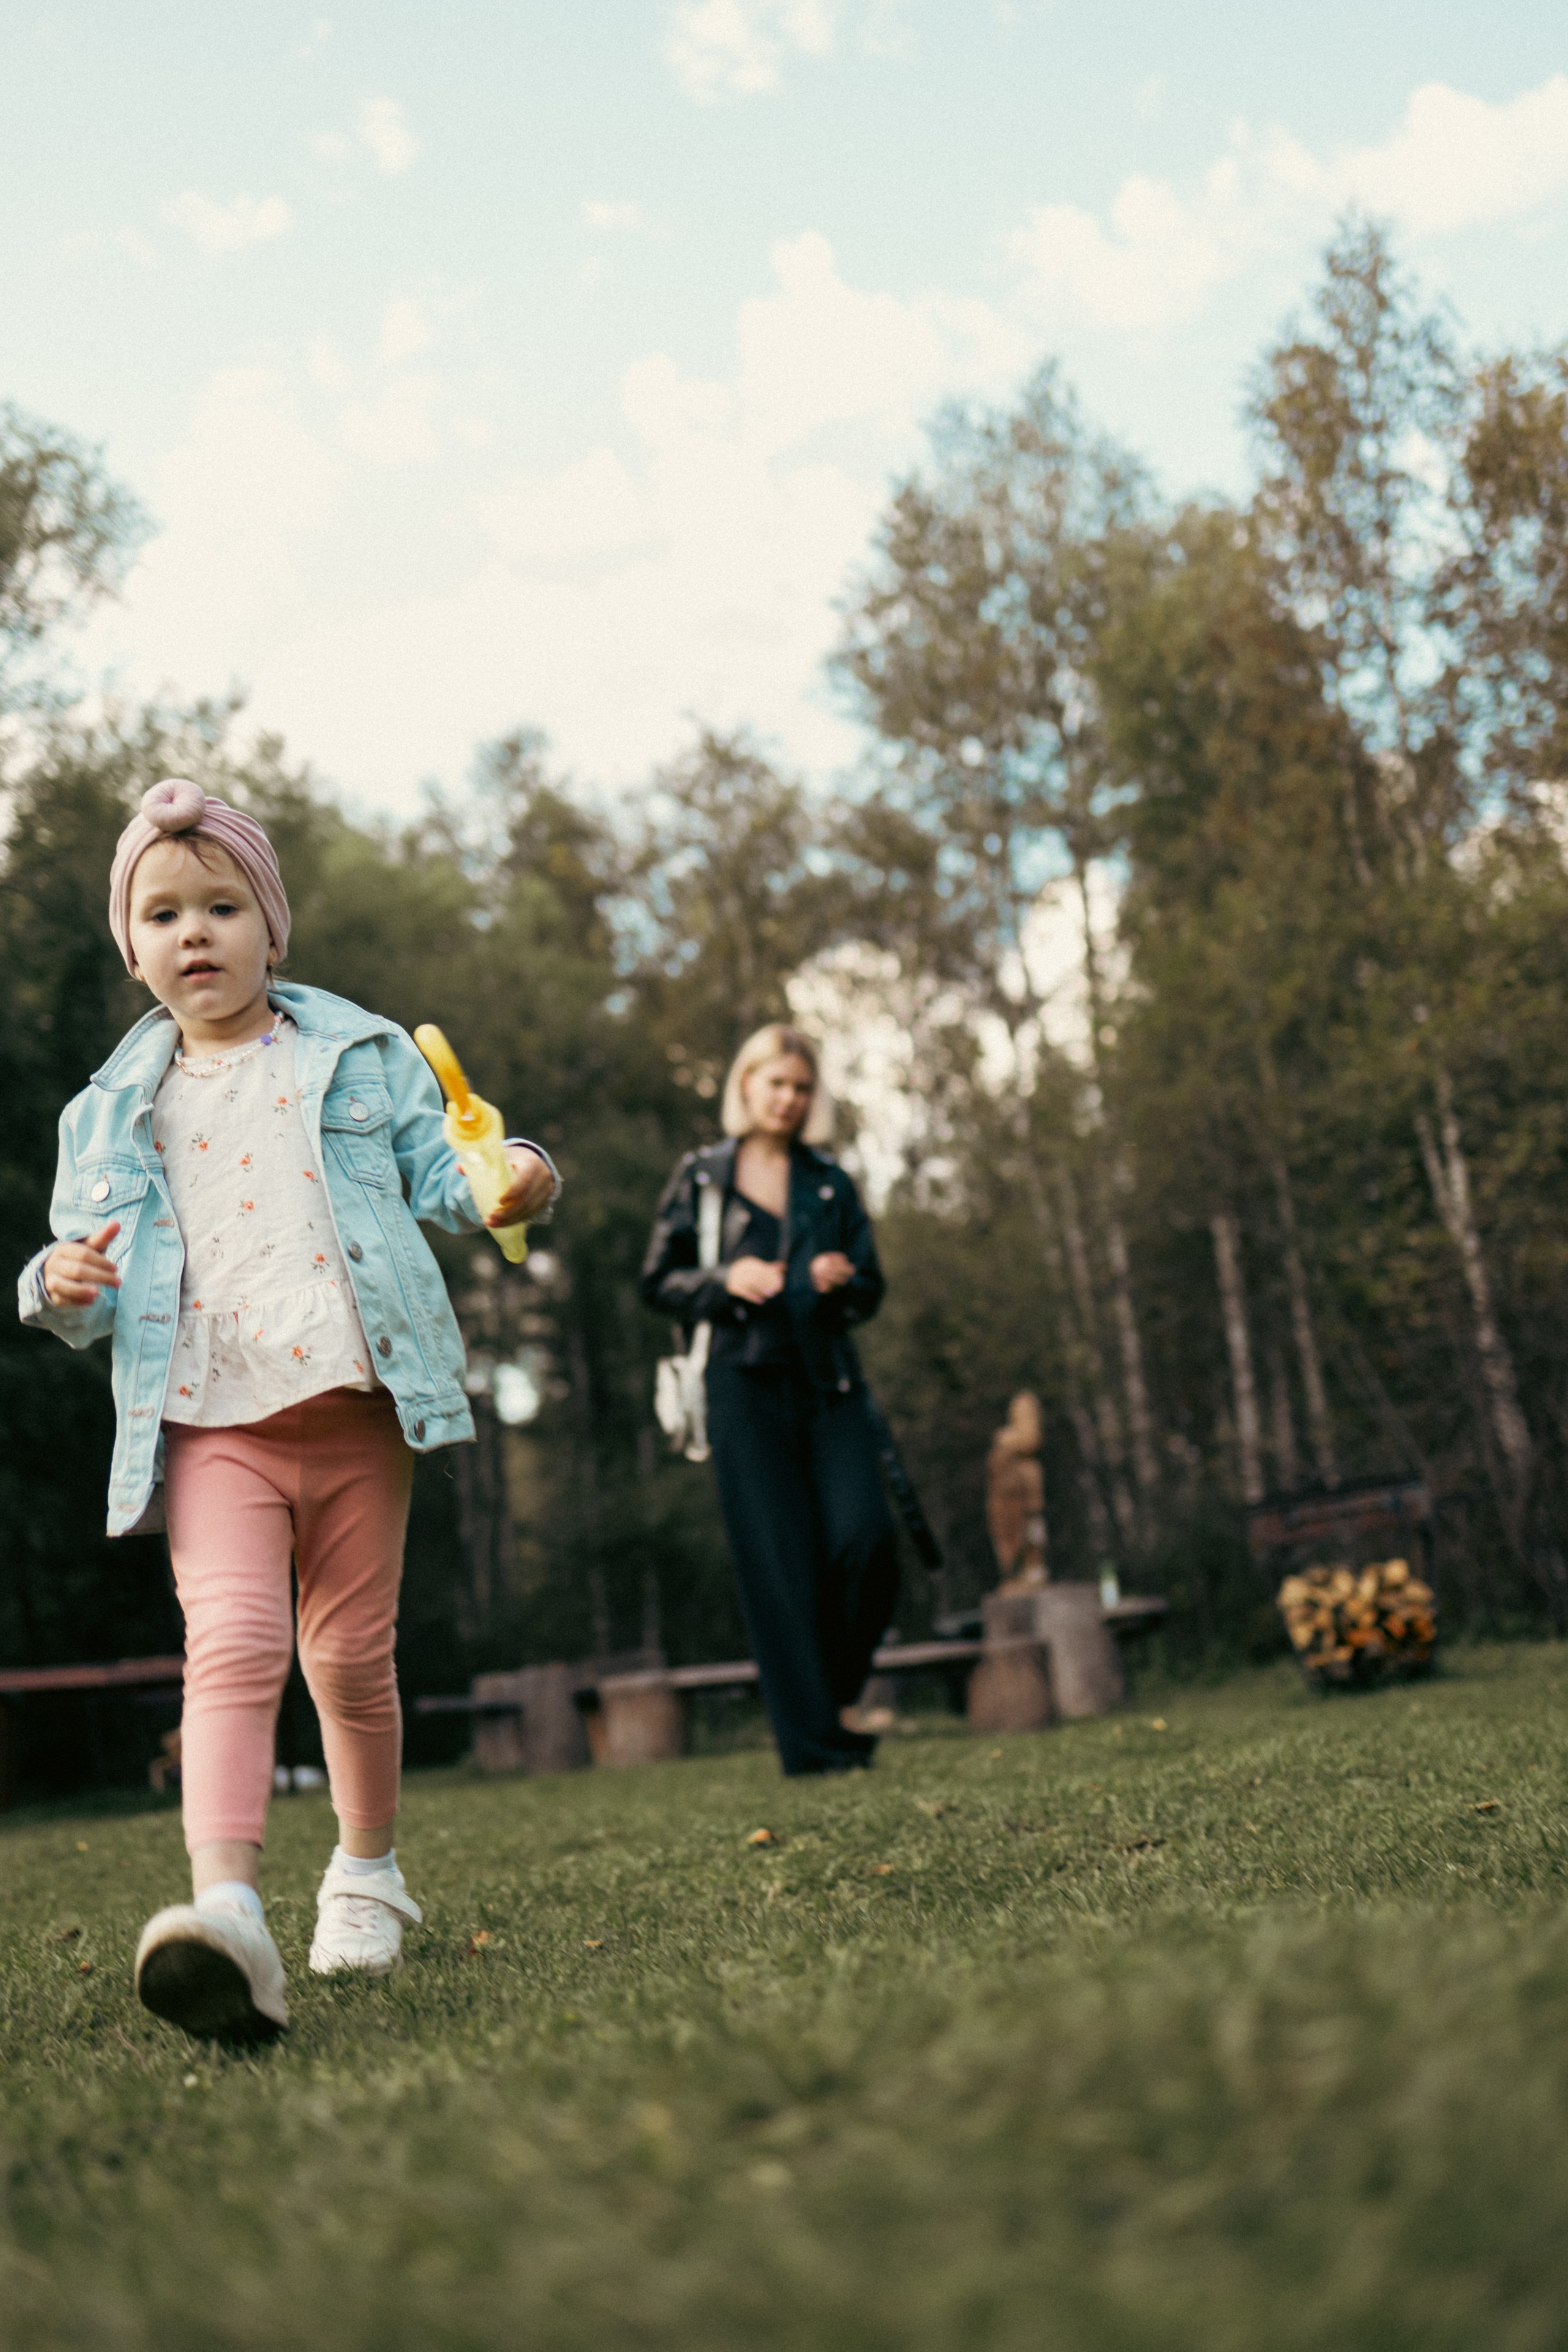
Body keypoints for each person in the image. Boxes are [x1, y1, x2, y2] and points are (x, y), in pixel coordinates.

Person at [17, 777, 560, 2041]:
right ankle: (228, 1915)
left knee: (350, 1659)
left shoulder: (355, 1055)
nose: (192, 932)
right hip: (211, 1420)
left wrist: (517, 1174)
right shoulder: (108, 1111)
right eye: (162, 915)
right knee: (237, 1643)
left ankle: (367, 1871)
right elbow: (78, 1281)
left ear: (273, 928)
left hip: (357, 1402)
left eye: (221, 905)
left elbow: (450, 1171)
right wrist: (55, 1281)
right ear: (132, 946)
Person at [640, 1023, 899, 1774]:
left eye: (801, 1087)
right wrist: (723, 1281)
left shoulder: (830, 1180)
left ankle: (828, 1696)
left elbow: (871, 1286)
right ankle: (817, 1747)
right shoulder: (702, 1177)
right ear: (746, 1086)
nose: (788, 1099)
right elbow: (658, 1280)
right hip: (741, 1390)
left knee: (867, 1544)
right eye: (775, 1083)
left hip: (829, 1384)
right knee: (778, 1568)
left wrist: (838, 1281)